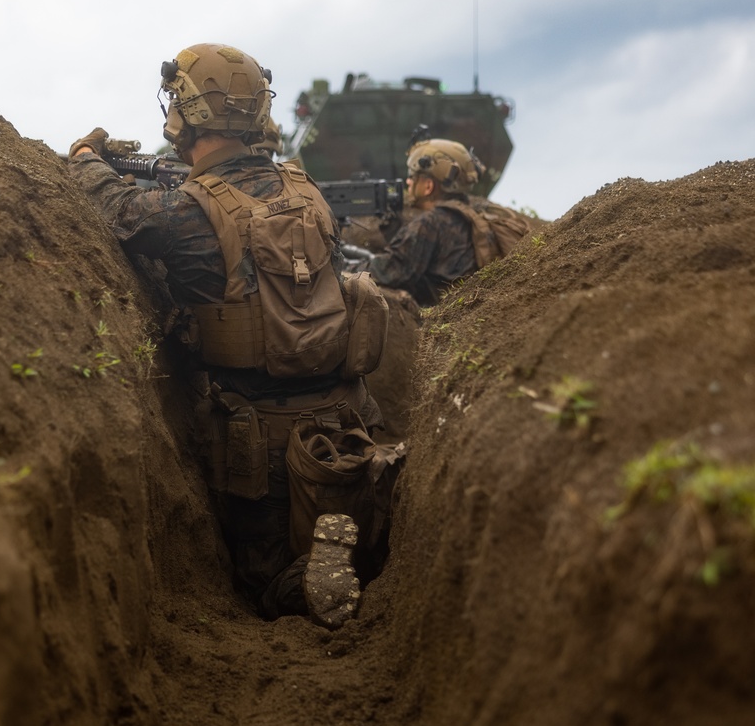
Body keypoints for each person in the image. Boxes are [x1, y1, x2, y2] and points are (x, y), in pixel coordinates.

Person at [68, 43, 389, 629]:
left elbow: (116, 209)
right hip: (347, 414)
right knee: (342, 516)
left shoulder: (187, 212)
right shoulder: (307, 191)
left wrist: (88, 155)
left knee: (258, 583)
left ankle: (300, 585)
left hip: (255, 434)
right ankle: (349, 555)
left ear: (183, 114)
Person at [367, 138, 532, 305]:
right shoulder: (468, 215)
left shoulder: (431, 223)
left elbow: (390, 272)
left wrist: (347, 267)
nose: (408, 181)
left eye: (413, 176)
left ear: (428, 186)